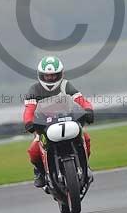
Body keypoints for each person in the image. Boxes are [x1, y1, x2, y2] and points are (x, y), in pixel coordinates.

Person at [22, 55, 94, 188]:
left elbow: (80, 99)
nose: (50, 78)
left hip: (68, 121)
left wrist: (88, 110)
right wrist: (28, 122)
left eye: (54, 75)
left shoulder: (66, 85)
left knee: (86, 138)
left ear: (60, 74)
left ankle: (85, 165)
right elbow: (29, 109)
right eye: (47, 76)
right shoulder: (34, 89)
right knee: (33, 150)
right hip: (44, 127)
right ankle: (40, 172)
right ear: (40, 75)